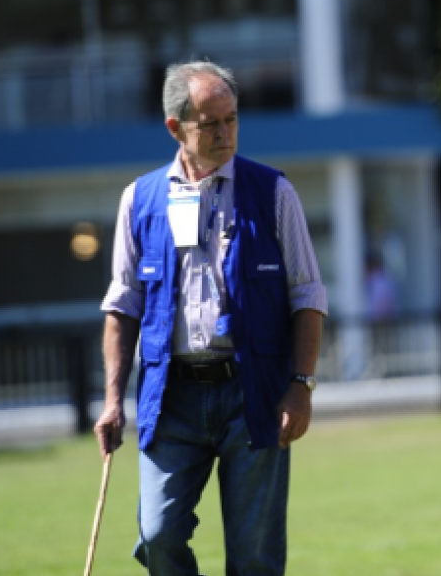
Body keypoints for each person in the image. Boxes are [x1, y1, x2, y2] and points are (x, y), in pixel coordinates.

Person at [95, 61, 327, 576]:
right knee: (157, 538)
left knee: (253, 557)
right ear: (176, 128)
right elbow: (122, 303)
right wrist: (112, 401)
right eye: (210, 123)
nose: (226, 133)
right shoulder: (139, 199)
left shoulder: (274, 193)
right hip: (171, 397)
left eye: (232, 119)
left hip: (253, 393)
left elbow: (308, 293)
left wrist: (301, 385)